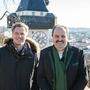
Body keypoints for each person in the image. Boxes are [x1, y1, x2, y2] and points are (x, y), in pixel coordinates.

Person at [37, 25, 87, 90]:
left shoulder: (78, 53)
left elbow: (83, 77)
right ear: (52, 37)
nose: (60, 39)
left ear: (67, 37)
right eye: (57, 36)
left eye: (63, 36)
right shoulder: (44, 53)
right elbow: (40, 77)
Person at [0, 22, 39, 90]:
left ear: (26, 35)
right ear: (12, 34)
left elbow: (36, 79)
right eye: (16, 33)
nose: (19, 36)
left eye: (22, 34)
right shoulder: (1, 52)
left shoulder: (33, 56)